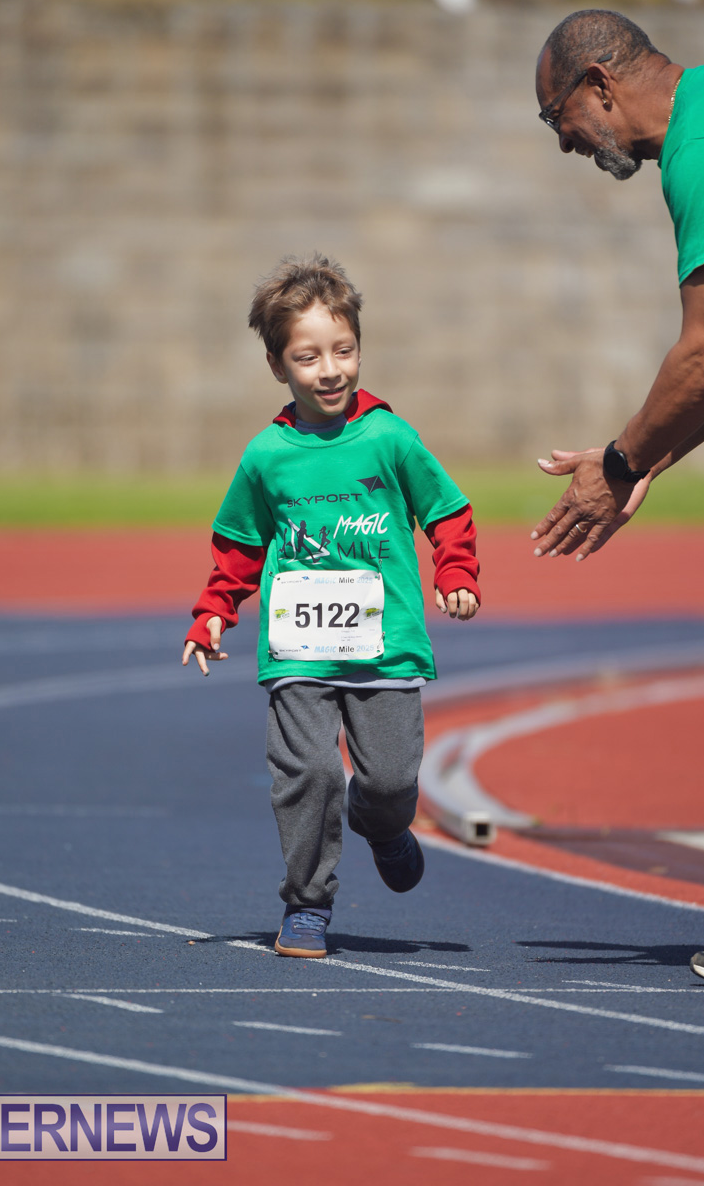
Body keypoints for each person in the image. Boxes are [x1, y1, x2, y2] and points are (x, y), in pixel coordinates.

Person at [182, 253, 480, 958]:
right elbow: (239, 543)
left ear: (359, 348)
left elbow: (447, 510)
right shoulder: (266, 455)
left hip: (387, 645)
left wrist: (456, 571)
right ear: (277, 365)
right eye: (308, 356)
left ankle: (383, 824)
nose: (330, 370)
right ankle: (307, 904)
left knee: (390, 781)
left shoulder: (390, 438)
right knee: (309, 774)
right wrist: (215, 609)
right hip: (298, 648)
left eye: (343, 351)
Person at [533, 10, 704, 988]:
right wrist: (648, 462)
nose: (566, 144)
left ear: (599, 85)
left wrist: (617, 463)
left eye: (557, 119)